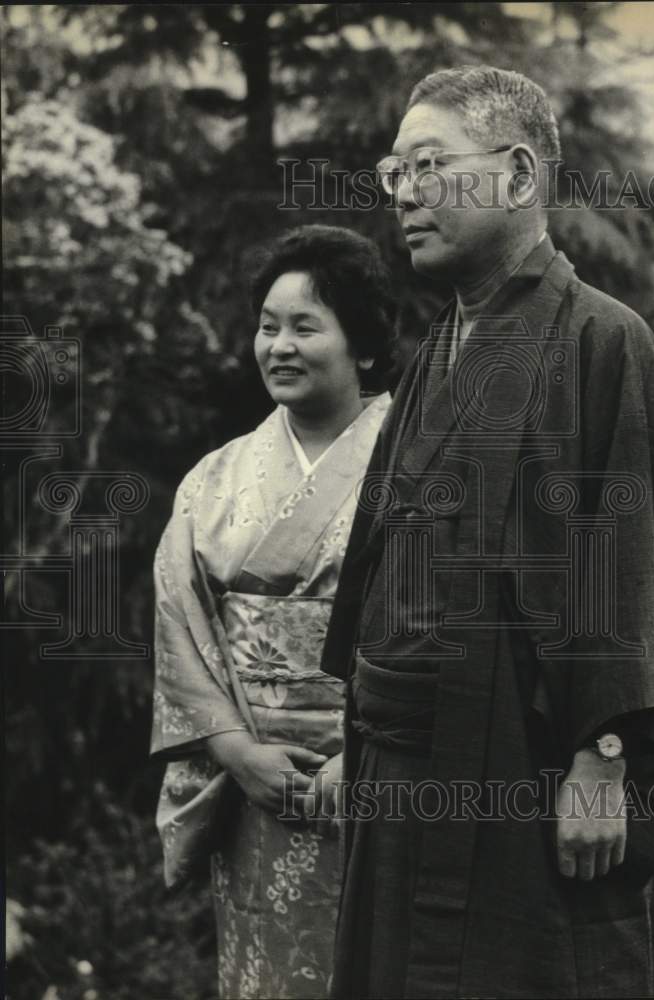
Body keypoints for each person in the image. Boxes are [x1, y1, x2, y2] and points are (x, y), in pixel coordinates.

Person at [321, 66, 654, 998]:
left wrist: (602, 759)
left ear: (520, 176)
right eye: (394, 171)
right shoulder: (432, 355)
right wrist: (354, 738)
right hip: (400, 764)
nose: (403, 192)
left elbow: (631, 559)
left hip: (512, 767)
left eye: (430, 165)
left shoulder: (601, 340)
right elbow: (385, 568)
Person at [150, 224, 394, 999]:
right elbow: (178, 621)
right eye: (266, 326)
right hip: (255, 785)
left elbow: (445, 620)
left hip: (379, 774)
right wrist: (232, 751)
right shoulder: (215, 478)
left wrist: (372, 751)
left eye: (304, 326)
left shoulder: (416, 465)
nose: (278, 346)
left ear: (362, 346)